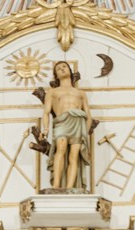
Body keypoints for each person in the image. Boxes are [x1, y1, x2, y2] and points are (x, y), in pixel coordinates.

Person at [41, 60, 92, 190]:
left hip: (78, 122)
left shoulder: (80, 93)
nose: (62, 69)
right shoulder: (53, 92)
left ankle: (70, 187)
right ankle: (56, 185)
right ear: (56, 75)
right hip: (62, 121)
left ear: (70, 70)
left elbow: (88, 114)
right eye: (58, 69)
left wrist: (85, 132)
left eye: (64, 67)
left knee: (74, 155)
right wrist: (45, 129)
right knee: (61, 149)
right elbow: (46, 112)